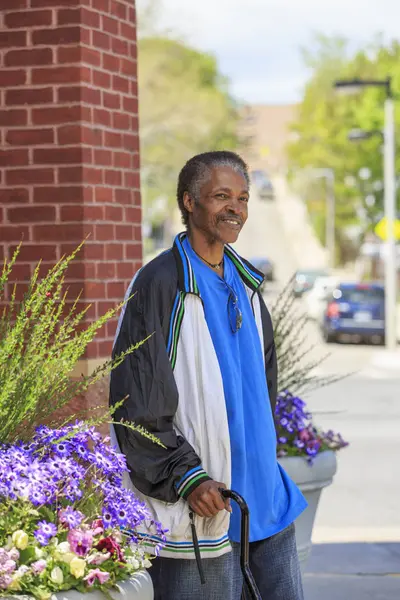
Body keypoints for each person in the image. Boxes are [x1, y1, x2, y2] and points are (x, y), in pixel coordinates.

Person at [110, 151, 307, 600]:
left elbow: (264, 384)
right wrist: (187, 477)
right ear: (189, 202)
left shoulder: (247, 283)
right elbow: (136, 403)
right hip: (205, 504)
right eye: (221, 196)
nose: (234, 208)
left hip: (267, 503)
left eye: (242, 197)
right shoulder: (160, 284)